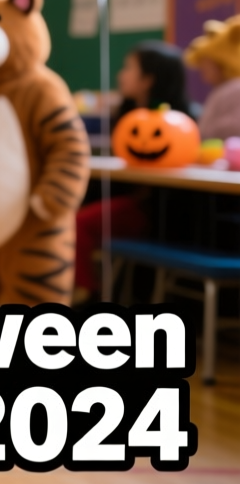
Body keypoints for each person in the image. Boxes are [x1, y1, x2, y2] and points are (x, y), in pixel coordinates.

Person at [73, 41, 192, 301]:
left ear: (148, 79)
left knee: (78, 223)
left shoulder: (180, 121)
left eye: (128, 68)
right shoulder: (126, 114)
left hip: (154, 209)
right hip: (125, 198)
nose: (121, 74)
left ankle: (89, 294)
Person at [186, 15, 240, 141]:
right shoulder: (222, 90)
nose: (202, 68)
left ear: (222, 63)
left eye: (206, 63)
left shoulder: (234, 89)